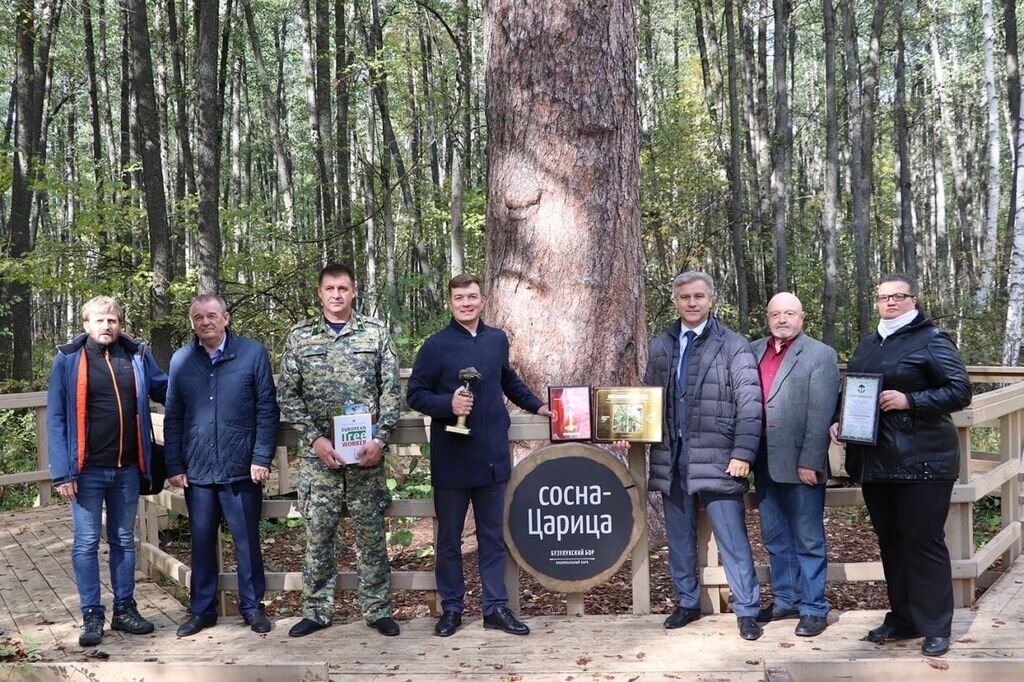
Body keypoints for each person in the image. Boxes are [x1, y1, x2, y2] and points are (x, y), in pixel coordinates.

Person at [830, 274, 970, 657]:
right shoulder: (869, 344)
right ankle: (904, 618)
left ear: (913, 300)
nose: (889, 302)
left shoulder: (932, 340)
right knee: (891, 543)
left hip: (922, 461)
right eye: (882, 297)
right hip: (877, 462)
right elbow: (856, 390)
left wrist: (912, 400)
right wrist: (842, 420)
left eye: (897, 296)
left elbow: (960, 391)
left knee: (923, 542)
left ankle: (936, 626)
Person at [406, 273, 551, 637]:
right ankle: (452, 609)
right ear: (450, 303)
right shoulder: (435, 346)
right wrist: (447, 403)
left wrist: (539, 405)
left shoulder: (496, 340)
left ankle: (495, 608)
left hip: (492, 459)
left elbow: (508, 380)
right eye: (459, 298)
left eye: (472, 297)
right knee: (450, 541)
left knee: (492, 538)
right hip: (452, 461)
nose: (466, 303)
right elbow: (415, 394)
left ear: (482, 299)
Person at [278, 263, 402, 638]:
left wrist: (380, 439)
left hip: (366, 455)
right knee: (318, 535)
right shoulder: (300, 337)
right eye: (330, 288)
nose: (336, 295)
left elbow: (392, 391)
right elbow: (287, 393)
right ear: (319, 292)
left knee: (371, 534)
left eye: (343, 288)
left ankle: (378, 608)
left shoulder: (375, 333)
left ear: (354, 290)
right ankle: (316, 609)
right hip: (321, 458)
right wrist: (315, 439)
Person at [645, 271, 763, 641]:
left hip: (719, 456)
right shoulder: (661, 345)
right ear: (676, 301)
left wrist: (743, 452)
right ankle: (687, 602)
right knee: (679, 539)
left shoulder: (733, 345)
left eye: (698, 296)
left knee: (732, 538)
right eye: (685, 297)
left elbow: (750, 404)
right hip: (673, 457)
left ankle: (747, 610)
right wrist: (629, 428)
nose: (692, 303)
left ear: (711, 300)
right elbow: (648, 399)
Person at [47, 296, 168, 647]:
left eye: (112, 320)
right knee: (86, 543)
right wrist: (62, 472)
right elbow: (56, 417)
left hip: (128, 468)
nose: (106, 326)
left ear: (120, 323)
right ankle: (91, 615)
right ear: (86, 324)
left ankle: (125, 609)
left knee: (124, 541)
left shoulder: (136, 355)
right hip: (85, 471)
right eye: (99, 320)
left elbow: (166, 388)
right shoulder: (68, 359)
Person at [164, 295, 279, 637]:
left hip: (241, 467)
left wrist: (261, 456)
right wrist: (173, 463)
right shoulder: (182, 360)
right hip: (197, 471)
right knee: (200, 543)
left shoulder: (252, 353)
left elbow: (267, 409)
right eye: (198, 317)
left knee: (246, 541)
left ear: (226, 318)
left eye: (212, 315)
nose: (205, 322)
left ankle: (251, 607)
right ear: (192, 322)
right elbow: (173, 416)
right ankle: (202, 610)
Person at [750, 293, 839, 637]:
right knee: (775, 536)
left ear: (802, 317)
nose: (782, 319)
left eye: (789, 313)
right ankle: (786, 599)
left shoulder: (820, 354)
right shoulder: (753, 349)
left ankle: (814, 607)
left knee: (808, 538)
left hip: (802, 462)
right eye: (776, 313)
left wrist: (811, 462)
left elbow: (820, 415)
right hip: (763, 459)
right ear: (768, 317)